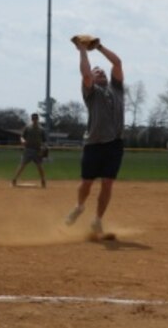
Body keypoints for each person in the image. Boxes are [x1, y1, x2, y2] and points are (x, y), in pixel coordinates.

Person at [65, 38, 124, 236]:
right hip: (94, 143)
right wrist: (82, 51)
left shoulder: (116, 89)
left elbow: (117, 62)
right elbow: (85, 74)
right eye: (97, 71)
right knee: (87, 182)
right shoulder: (91, 92)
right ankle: (79, 207)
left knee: (107, 183)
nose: (101, 71)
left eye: (102, 71)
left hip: (115, 144)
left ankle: (97, 220)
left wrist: (98, 47)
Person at [11, 113, 47, 188]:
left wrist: (43, 148)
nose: (34, 119)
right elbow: (22, 137)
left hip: (37, 149)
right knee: (22, 165)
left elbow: (44, 141)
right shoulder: (27, 127)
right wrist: (23, 141)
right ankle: (14, 179)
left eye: (36, 118)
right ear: (31, 119)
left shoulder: (41, 129)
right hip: (28, 149)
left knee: (39, 166)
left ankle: (43, 181)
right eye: (33, 118)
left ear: (38, 119)